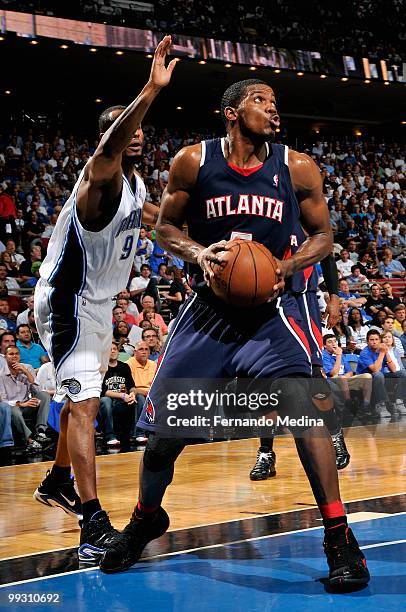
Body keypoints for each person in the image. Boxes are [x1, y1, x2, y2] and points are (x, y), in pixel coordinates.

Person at [100, 78, 369, 589]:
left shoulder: (297, 165)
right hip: (210, 311)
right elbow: (167, 229)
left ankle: (338, 533)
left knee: (303, 408)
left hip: (274, 313)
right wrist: (199, 254)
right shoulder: (192, 162)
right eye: (260, 100)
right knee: (162, 440)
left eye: (274, 102)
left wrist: (286, 268)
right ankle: (145, 518)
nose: (272, 109)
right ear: (230, 111)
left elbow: (324, 236)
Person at [32, 37, 178, 565]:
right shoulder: (97, 177)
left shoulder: (137, 187)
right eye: (126, 129)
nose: (136, 135)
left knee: (79, 400)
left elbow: (161, 222)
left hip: (98, 306)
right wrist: (151, 89)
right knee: (85, 404)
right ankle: (93, 525)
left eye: (141, 129)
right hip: (68, 302)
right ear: (109, 139)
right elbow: (110, 147)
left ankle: (56, 480)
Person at [0, 345, 51, 453]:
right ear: (5, 357)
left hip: (27, 406)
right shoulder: (1, 375)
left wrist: (27, 373)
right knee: (12, 409)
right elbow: (3, 401)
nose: (14, 356)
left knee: (44, 395)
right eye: (11, 354)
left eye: (17, 354)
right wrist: (22, 404)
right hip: (14, 408)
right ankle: (29, 440)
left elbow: (38, 390)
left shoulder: (27, 368)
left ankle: (41, 431)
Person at [322, 334, 372, 419]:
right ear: (324, 345)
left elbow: (350, 372)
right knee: (342, 378)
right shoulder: (324, 355)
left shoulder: (341, 354)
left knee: (367, 376)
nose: (333, 344)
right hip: (332, 381)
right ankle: (348, 405)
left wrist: (345, 376)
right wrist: (338, 356)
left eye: (335, 341)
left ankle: (365, 406)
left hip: (344, 380)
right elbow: (333, 373)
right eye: (330, 342)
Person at [356, 330, 403, 418]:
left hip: (379, 378)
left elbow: (393, 369)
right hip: (367, 380)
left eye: (376, 339)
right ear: (367, 341)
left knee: (402, 374)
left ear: (380, 340)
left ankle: (399, 400)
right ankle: (383, 405)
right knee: (379, 375)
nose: (374, 342)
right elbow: (375, 369)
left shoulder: (381, 350)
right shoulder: (364, 353)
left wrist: (386, 352)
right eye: (371, 340)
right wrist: (382, 353)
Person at [99, 342, 137, 447]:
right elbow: (103, 391)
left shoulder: (124, 367)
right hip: (106, 399)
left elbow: (132, 386)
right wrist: (123, 396)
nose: (112, 351)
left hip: (122, 398)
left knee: (138, 398)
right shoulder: (102, 368)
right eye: (109, 349)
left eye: (115, 349)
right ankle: (110, 436)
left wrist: (132, 394)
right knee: (106, 401)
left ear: (118, 352)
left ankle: (138, 434)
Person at [126, 340, 157, 442]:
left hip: (151, 394)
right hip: (135, 394)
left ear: (149, 352)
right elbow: (132, 388)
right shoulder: (128, 364)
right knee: (140, 398)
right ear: (135, 352)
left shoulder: (153, 365)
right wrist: (145, 392)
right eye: (141, 349)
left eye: (146, 349)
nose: (144, 352)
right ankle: (139, 433)